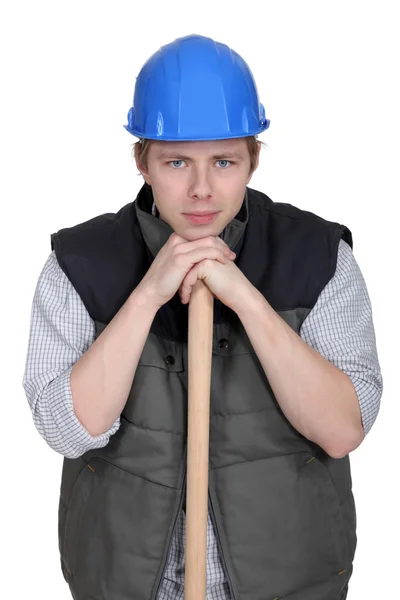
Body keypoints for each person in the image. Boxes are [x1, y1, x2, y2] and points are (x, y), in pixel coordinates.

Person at [22, 34, 383, 600]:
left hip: (288, 583)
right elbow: (68, 429)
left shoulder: (317, 257)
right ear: (142, 161)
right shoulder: (80, 263)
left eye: (223, 161)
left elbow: (342, 430)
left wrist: (248, 301)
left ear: (253, 160)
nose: (200, 190)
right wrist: (146, 296)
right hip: (127, 583)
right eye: (175, 162)